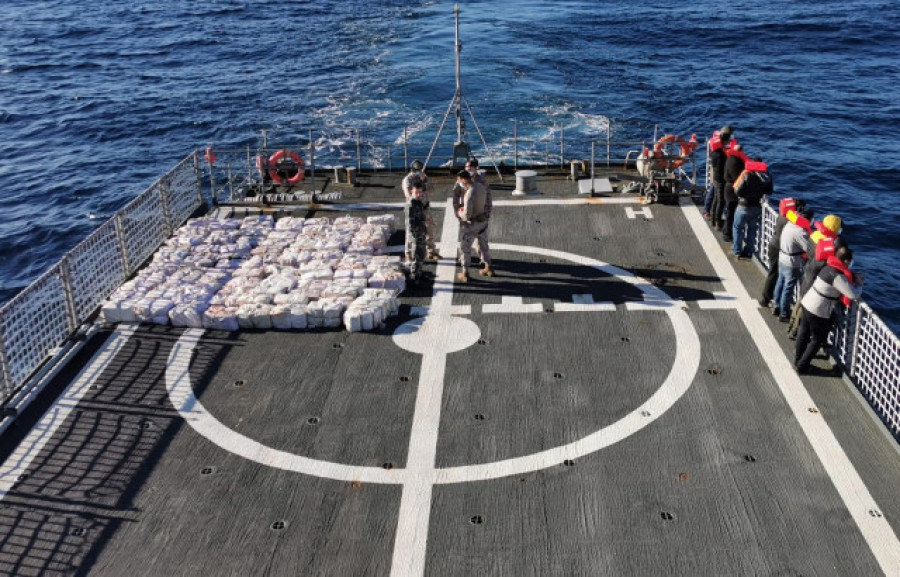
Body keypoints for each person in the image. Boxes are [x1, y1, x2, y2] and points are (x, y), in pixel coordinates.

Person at [794, 246, 862, 374]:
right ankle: (802, 367)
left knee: (803, 333)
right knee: (817, 339)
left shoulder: (828, 267)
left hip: (808, 302)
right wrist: (859, 284)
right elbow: (852, 294)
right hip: (817, 309)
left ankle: (797, 361)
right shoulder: (837, 276)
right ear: (846, 262)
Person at [787, 213, 843, 338]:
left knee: (800, 299)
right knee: (804, 305)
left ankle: (791, 323)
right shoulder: (830, 245)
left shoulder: (815, 235)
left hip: (807, 270)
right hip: (815, 278)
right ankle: (795, 331)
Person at [760, 198, 808, 307]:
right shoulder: (789, 221)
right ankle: (766, 298)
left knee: (775, 274)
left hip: (774, 246)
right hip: (779, 249)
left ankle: (770, 298)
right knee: (774, 274)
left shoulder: (782, 217)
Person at [773, 206, 813, 321]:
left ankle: (776, 305)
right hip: (792, 262)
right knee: (788, 288)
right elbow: (808, 249)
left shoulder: (789, 224)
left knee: (780, 282)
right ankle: (784, 313)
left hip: (782, 257)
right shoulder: (801, 232)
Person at [455, 170, 493, 282]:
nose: (458, 182)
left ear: (463, 179)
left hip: (471, 225)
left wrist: (459, 212)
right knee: (483, 245)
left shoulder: (469, 194)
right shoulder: (481, 187)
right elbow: (488, 203)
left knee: (465, 248)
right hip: (482, 222)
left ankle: (465, 273)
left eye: (459, 180)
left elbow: (467, 215)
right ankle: (488, 267)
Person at [731, 157, 772, 258]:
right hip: (756, 207)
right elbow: (769, 191)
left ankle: (737, 251)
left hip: (743, 206)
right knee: (752, 230)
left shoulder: (747, 175)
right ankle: (749, 251)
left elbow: (737, 192)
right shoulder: (766, 176)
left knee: (737, 228)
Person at [401, 160, 440, 261]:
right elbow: (409, 195)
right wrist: (422, 187)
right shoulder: (407, 180)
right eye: (418, 170)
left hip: (425, 208)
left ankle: (430, 251)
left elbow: (432, 188)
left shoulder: (423, 177)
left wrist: (424, 181)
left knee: (429, 229)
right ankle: (408, 253)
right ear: (413, 170)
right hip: (414, 209)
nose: (420, 172)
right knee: (411, 232)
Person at [708, 125, 733, 230]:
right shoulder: (722, 155)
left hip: (715, 178)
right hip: (720, 179)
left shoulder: (714, 152)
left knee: (716, 199)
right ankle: (718, 222)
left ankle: (713, 219)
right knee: (721, 201)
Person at [722, 143, 747, 243]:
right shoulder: (736, 162)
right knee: (731, 213)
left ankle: (727, 231)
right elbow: (736, 177)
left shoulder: (729, 158)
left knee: (729, 212)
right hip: (732, 189)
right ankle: (727, 234)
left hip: (728, 188)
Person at [404, 182, 428, 284]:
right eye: (416, 192)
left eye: (420, 192)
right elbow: (411, 224)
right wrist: (422, 225)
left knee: (421, 254)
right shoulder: (410, 205)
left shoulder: (418, 203)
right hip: (415, 235)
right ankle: (414, 277)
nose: (419, 194)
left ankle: (419, 273)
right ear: (411, 192)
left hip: (420, 233)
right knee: (416, 256)